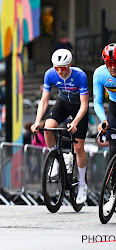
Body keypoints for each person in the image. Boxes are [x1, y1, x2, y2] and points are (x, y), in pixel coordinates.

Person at [31, 48, 89, 204]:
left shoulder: (80, 76)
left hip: (78, 108)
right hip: (63, 103)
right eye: (57, 68)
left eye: (62, 68)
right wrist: (38, 121)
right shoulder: (50, 74)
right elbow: (44, 101)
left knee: (78, 148)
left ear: (69, 65)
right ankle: (56, 159)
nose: (59, 71)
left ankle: (83, 185)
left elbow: (84, 105)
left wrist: (75, 122)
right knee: (47, 129)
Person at [93, 43, 116, 213]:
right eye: (109, 64)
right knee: (113, 149)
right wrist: (102, 121)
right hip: (114, 107)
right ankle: (113, 194)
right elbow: (98, 102)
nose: (113, 67)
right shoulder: (100, 73)